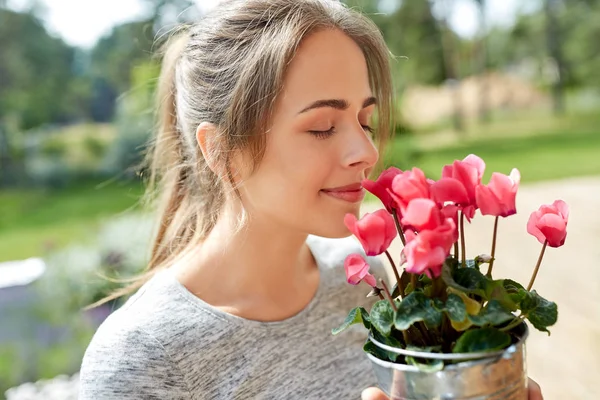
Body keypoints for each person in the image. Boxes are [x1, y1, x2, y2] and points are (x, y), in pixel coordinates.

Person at [79, 1, 544, 399]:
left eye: (364, 119)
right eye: (322, 126)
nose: (366, 152)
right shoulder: (141, 359)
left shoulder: (365, 279)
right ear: (220, 151)